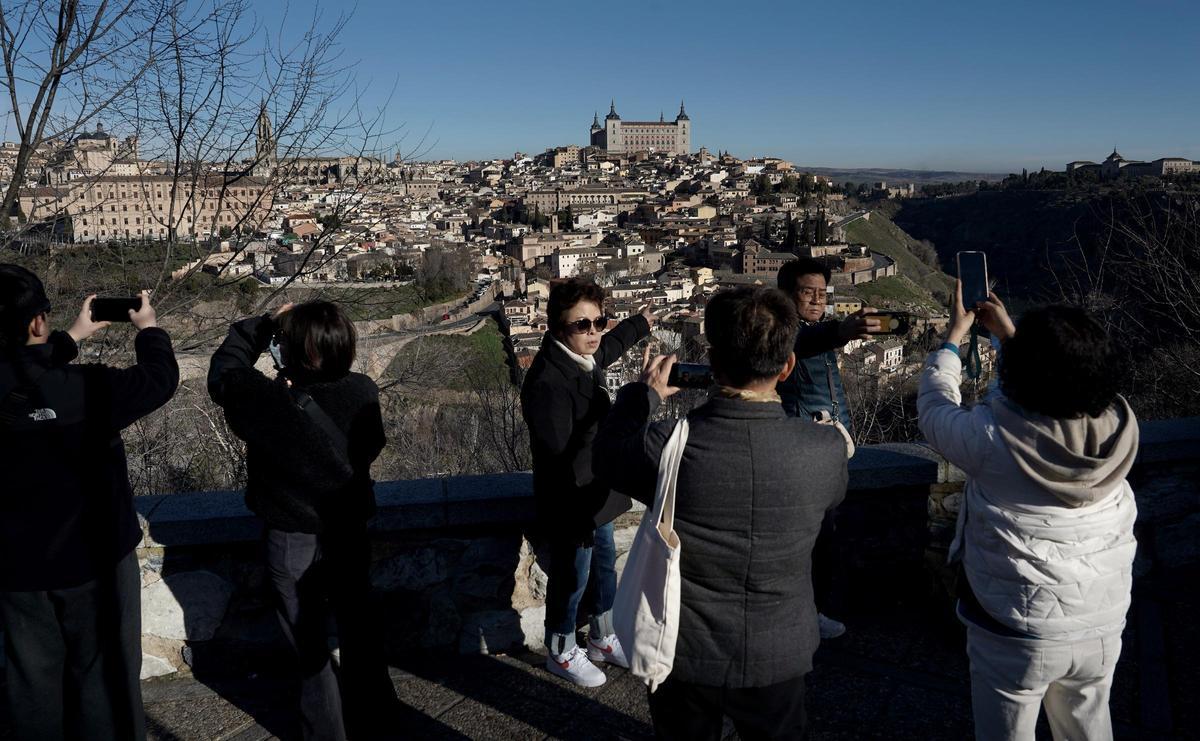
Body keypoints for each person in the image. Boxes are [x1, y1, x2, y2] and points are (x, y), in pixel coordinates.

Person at [595, 286, 848, 740]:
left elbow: (608, 455)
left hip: (685, 650)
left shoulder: (666, 445)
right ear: (787, 366)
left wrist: (643, 394)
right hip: (779, 649)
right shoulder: (825, 451)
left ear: (711, 363)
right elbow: (828, 502)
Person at [917, 284, 1138, 741]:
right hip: (1101, 620)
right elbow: (1060, 385)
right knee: (1089, 727)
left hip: (1015, 627)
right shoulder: (1119, 429)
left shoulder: (991, 439)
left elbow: (936, 407)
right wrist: (1009, 337)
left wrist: (952, 340)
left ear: (1022, 372)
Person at [0, 265, 177, 741]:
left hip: (15, 570)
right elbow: (159, 379)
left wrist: (70, 337)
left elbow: (23, 371)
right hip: (94, 559)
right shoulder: (87, 389)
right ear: (38, 322)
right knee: (105, 681)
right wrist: (150, 330)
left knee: (28, 686)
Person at [207, 301, 396, 740]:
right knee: (360, 637)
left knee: (308, 649)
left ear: (289, 353)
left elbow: (225, 370)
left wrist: (264, 325)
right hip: (349, 531)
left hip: (293, 536)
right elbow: (373, 444)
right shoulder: (363, 391)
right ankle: (377, 722)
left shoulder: (269, 403)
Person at [519, 277, 654, 687]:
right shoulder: (546, 384)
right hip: (571, 498)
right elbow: (564, 454)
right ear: (558, 328)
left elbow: (605, 350)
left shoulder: (578, 356)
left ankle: (602, 637)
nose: (594, 332)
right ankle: (560, 649)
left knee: (603, 568)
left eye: (600, 321)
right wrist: (638, 401)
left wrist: (637, 325)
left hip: (598, 491)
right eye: (583, 325)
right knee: (573, 576)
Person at [776, 257, 879, 640]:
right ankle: (802, 616)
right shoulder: (782, 331)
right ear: (788, 296)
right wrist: (843, 330)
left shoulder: (815, 328)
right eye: (808, 292)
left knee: (825, 536)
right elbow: (802, 343)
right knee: (810, 538)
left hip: (829, 444)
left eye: (822, 293)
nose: (818, 300)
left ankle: (812, 611)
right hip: (801, 444)